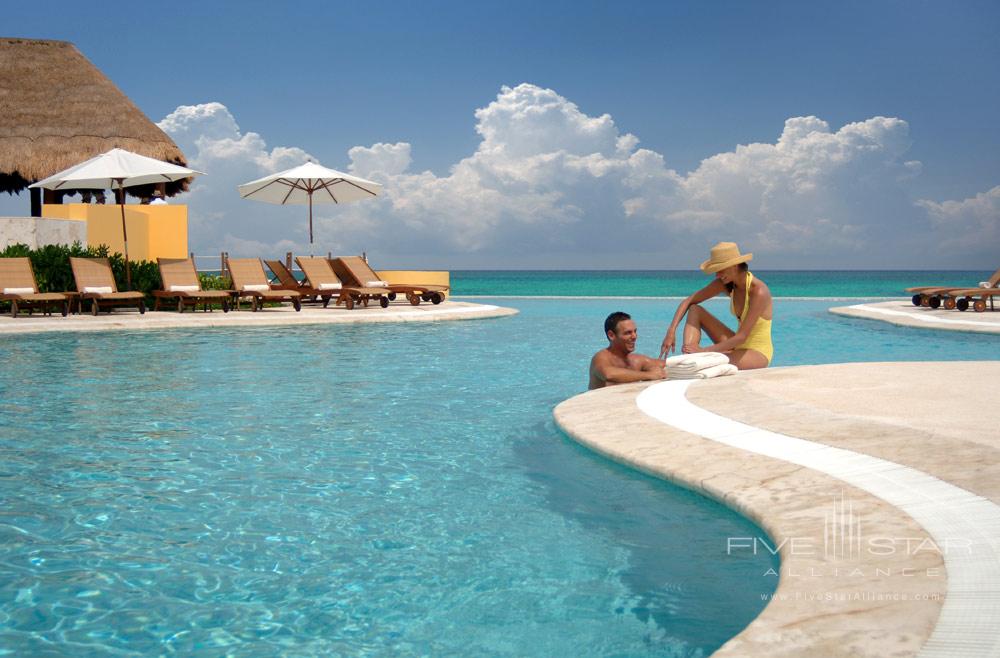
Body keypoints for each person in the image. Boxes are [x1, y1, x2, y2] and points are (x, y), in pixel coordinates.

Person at [659, 242, 773, 369]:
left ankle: (693, 357)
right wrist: (671, 331)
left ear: (734, 266)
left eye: (720, 270)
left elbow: (742, 337)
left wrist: (704, 351)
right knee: (694, 309)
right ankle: (689, 355)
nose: (717, 275)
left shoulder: (758, 291)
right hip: (736, 345)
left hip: (757, 353)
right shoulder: (726, 284)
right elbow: (689, 301)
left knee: (705, 362)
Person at [589, 311, 667, 390]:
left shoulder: (637, 360)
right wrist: (649, 375)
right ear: (611, 335)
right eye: (628, 333)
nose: (634, 336)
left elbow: (664, 364)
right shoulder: (600, 358)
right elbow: (609, 374)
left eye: (635, 331)